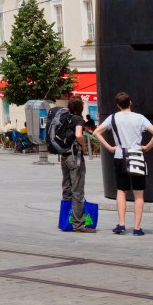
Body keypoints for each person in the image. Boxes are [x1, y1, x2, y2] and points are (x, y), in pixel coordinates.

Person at [95, 92, 153, 235]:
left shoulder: (113, 118)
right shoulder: (140, 118)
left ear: (118, 105)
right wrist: (147, 147)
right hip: (137, 155)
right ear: (130, 102)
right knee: (139, 193)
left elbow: (96, 132)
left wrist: (110, 147)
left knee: (121, 190)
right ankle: (137, 227)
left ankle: (121, 224)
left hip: (120, 155)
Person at [57, 97, 93, 233]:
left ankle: (65, 221)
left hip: (64, 156)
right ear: (80, 107)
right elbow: (78, 135)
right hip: (74, 157)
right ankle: (78, 224)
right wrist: (83, 147)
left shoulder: (64, 117)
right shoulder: (78, 119)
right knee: (77, 190)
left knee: (66, 189)